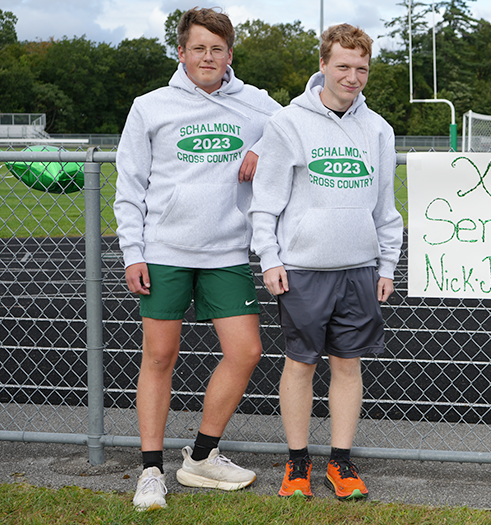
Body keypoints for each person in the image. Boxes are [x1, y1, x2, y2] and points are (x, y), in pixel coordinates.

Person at [114, 7, 282, 511]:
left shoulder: (256, 104)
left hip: (227, 250)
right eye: (198, 48)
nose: (208, 57)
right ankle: (150, 471)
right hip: (164, 251)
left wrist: (265, 145)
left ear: (230, 55)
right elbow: (129, 186)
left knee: (246, 351)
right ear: (182, 52)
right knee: (160, 357)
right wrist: (132, 251)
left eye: (217, 49)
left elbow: (305, 118)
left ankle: (202, 456)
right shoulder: (150, 106)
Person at [249, 23, 402, 501]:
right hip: (303, 269)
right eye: (343, 66)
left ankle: (341, 462)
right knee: (299, 365)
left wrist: (386, 265)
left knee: (348, 366)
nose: (353, 77)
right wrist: (270, 258)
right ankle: (297, 465)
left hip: (358, 269)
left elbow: (385, 207)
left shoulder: (377, 129)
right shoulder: (287, 123)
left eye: (362, 68)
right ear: (323, 65)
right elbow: (265, 202)